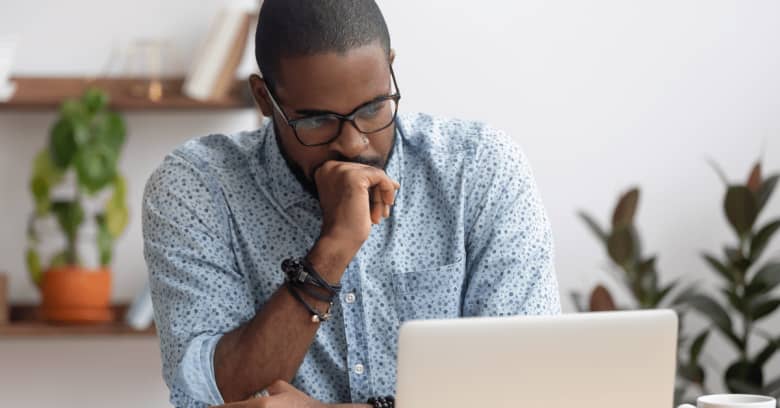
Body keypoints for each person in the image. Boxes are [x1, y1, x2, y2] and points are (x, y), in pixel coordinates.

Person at [142, 1, 561, 407]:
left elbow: (529, 384)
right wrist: (332, 249)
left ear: (390, 68)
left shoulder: (478, 169)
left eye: (373, 108)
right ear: (264, 99)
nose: (353, 142)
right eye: (317, 120)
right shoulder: (198, 187)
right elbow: (209, 395)